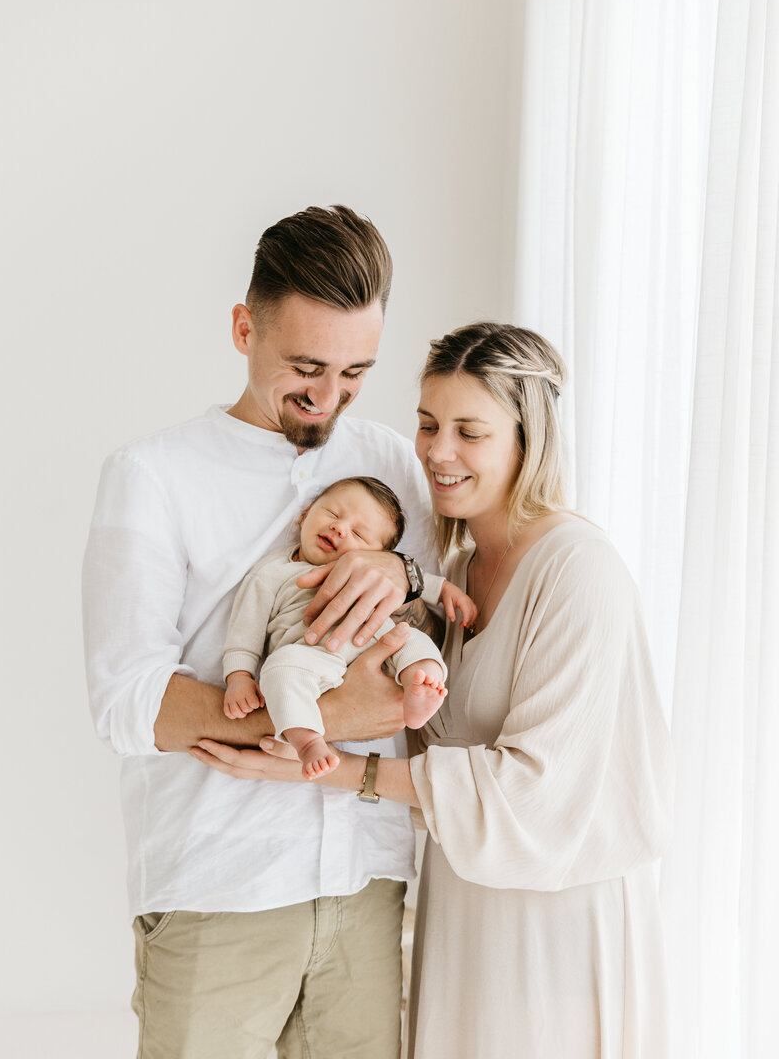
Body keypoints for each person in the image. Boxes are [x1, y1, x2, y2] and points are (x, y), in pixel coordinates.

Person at [193, 321, 675, 1059]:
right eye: (427, 424)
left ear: (527, 437)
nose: (437, 453)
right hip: (464, 910)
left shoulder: (578, 569)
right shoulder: (454, 567)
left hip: (557, 928)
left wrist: (335, 773)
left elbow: (536, 792)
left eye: (469, 432)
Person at [82, 205, 444, 1059]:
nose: (328, 396)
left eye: (356, 371)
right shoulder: (151, 477)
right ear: (245, 329)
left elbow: (430, 632)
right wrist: (326, 719)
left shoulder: (393, 462)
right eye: (307, 367)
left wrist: (408, 573)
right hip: (217, 885)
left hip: (367, 879)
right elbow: (128, 701)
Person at [222, 475, 471, 778]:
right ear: (306, 513)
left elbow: (412, 582)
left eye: (359, 533)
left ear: (377, 558)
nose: (339, 528)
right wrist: (238, 677)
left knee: (411, 638)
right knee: (279, 669)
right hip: (313, 656)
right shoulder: (272, 572)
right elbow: (245, 630)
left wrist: (444, 589)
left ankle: (420, 686)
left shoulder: (367, 571)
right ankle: (308, 741)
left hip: (374, 640)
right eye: (333, 514)